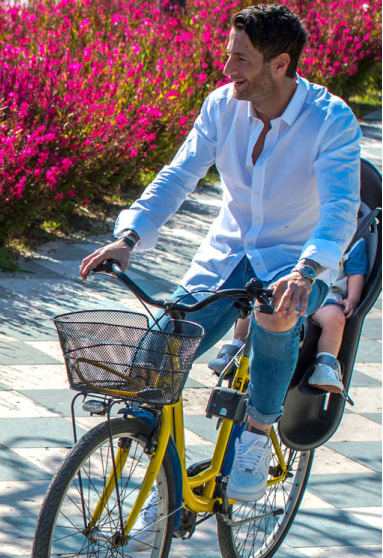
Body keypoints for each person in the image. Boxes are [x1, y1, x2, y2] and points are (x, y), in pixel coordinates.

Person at [79, 3, 360, 502]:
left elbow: (339, 210)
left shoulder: (330, 120)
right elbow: (178, 177)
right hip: (227, 254)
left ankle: (255, 435)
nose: (227, 70)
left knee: (277, 313)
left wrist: (307, 270)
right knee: (155, 362)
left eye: (241, 60)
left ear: (281, 64)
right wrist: (130, 238)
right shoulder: (221, 105)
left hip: (301, 261)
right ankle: (157, 495)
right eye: (228, 56)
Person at [208, 236, 368, 393]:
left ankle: (325, 364)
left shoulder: (354, 242)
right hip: (288, 291)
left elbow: (355, 273)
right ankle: (235, 348)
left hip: (327, 297)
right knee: (257, 306)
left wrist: (352, 298)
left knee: (335, 319)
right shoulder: (299, 229)